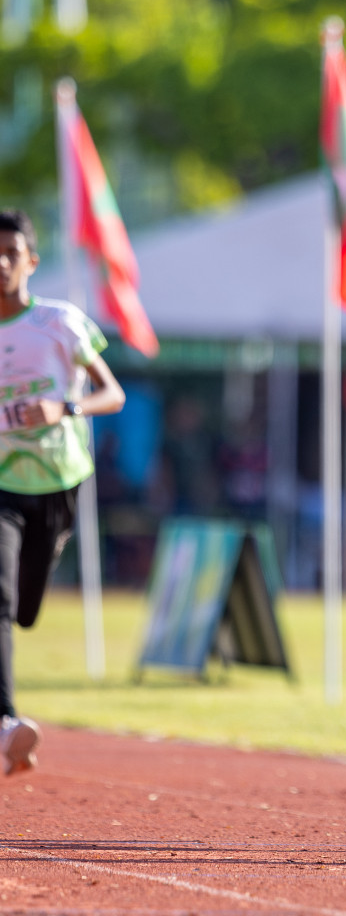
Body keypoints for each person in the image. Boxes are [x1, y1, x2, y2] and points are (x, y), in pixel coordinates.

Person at [0, 209, 125, 776]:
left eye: (10, 253)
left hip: (56, 482)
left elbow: (112, 393)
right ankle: (6, 722)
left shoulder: (59, 323)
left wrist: (64, 407)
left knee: (23, 611)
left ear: (31, 260)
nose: (0, 265)